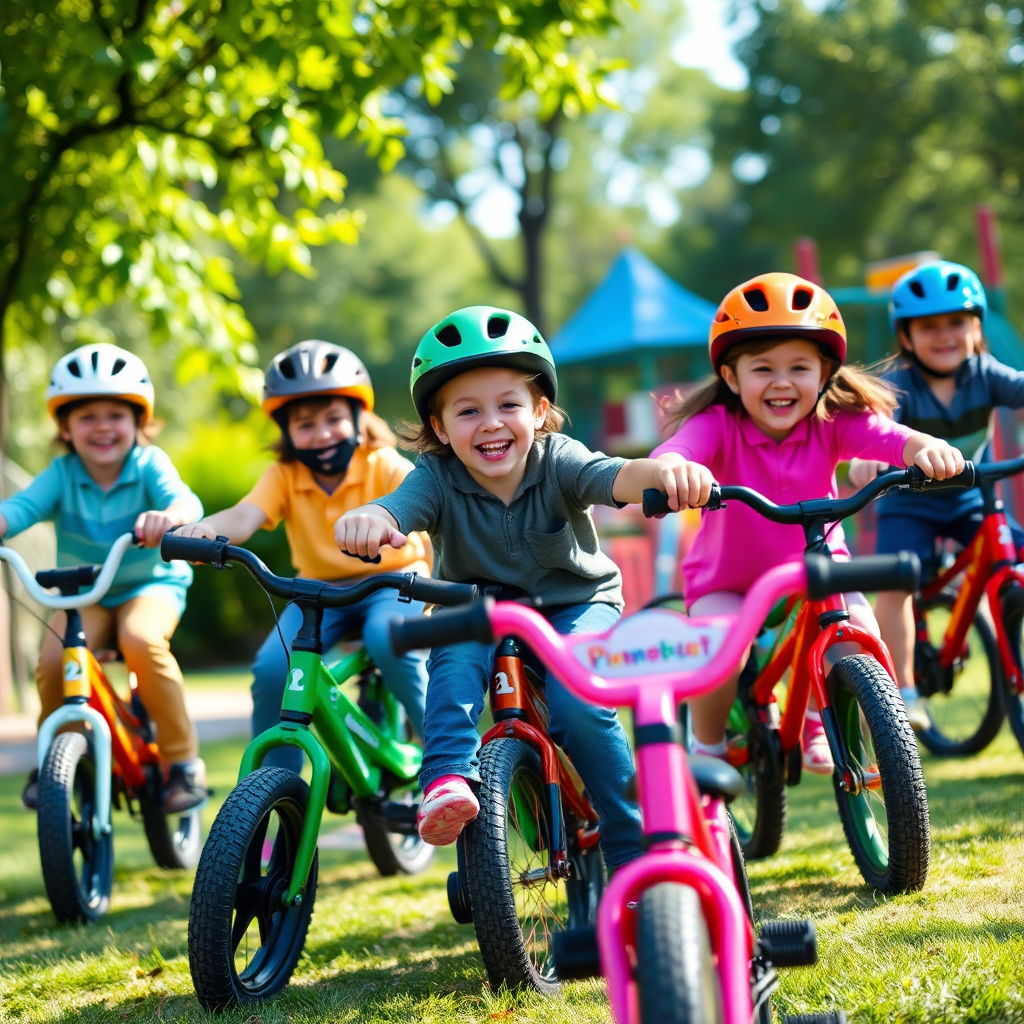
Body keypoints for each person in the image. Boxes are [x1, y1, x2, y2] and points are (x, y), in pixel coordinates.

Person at [334, 305, 711, 869]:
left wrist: (660, 473)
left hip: (577, 605)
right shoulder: (436, 478)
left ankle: (635, 847)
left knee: (578, 703)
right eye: (467, 411)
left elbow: (614, 477)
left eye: (508, 405)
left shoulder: (559, 460)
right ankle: (446, 779)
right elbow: (397, 508)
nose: (490, 422)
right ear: (439, 428)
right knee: (453, 668)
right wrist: (371, 518)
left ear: (538, 412)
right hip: (478, 611)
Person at [651, 273, 964, 770]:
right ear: (732, 378)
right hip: (729, 581)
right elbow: (677, 450)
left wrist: (927, 448)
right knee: (720, 652)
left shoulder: (833, 420)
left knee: (860, 631)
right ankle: (706, 747)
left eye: (799, 367)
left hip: (821, 570)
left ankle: (830, 725)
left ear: (824, 374)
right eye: (762, 368)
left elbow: (890, 436)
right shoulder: (717, 425)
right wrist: (675, 470)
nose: (781, 382)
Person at [175, 341, 431, 773]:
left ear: (358, 418)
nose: (322, 432)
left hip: (392, 582)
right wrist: (205, 530)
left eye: (333, 418)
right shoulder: (284, 476)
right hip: (319, 592)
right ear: (286, 430)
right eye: (306, 424)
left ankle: (443, 747)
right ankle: (274, 786)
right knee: (273, 668)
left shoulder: (382, 463)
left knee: (389, 639)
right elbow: (244, 515)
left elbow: (424, 503)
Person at [0, 343, 206, 811]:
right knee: (53, 658)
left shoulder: (149, 464)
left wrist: (168, 517)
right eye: (87, 416)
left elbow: (186, 502)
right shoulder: (63, 473)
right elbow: (22, 507)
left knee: (141, 640)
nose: (102, 427)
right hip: (87, 593)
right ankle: (56, 754)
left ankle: (182, 762)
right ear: (65, 428)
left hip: (149, 587)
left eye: (116, 414)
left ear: (138, 422)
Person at [848, 260, 1024, 727]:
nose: (945, 335)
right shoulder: (899, 385)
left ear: (975, 329)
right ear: (906, 337)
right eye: (929, 327)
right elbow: (871, 425)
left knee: (1014, 555)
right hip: (911, 502)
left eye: (956, 323)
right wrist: (866, 456)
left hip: (972, 495)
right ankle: (904, 692)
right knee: (898, 580)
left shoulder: (986, 373)